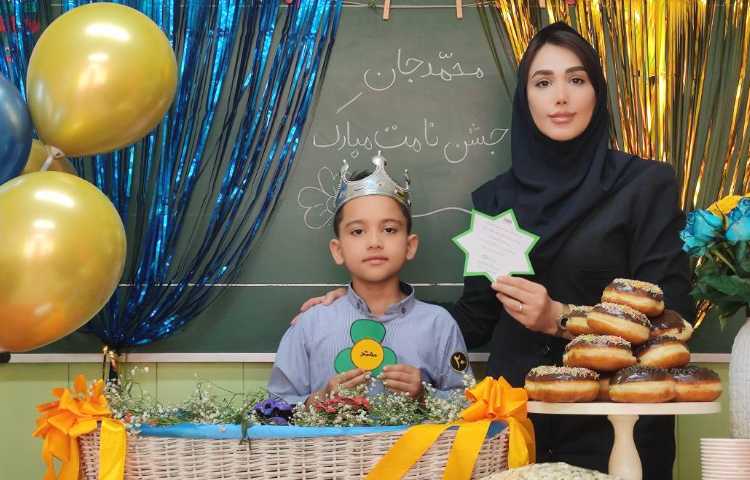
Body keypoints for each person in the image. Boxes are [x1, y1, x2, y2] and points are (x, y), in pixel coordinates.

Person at [297, 22, 693, 479]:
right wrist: (370, 302)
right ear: (526, 99)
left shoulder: (644, 186)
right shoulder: (495, 200)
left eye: (576, 79)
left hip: (617, 423)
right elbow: (476, 318)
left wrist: (561, 318)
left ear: (596, 93)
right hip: (515, 424)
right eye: (543, 83)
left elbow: (674, 319)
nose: (560, 97)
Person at [269, 154, 471, 405]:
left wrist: (425, 395)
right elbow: (273, 408)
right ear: (338, 250)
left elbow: (469, 402)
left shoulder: (439, 325)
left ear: (410, 246)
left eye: (389, 229)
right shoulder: (310, 325)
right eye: (357, 231)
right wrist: (319, 400)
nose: (374, 242)